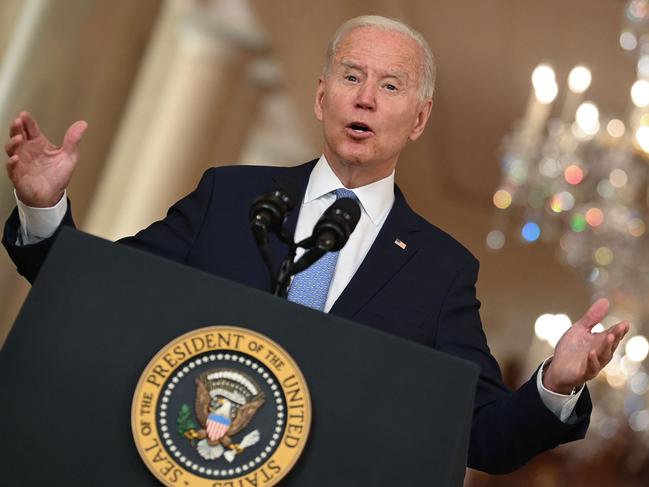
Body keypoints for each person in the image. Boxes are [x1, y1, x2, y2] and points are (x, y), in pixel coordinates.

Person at [2, 15, 629, 474]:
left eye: (390, 85)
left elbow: (483, 436)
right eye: (351, 76)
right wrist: (42, 206)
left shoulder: (440, 271)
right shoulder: (229, 198)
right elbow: (107, 297)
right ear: (321, 94)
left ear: (418, 118)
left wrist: (556, 381)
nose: (364, 97)